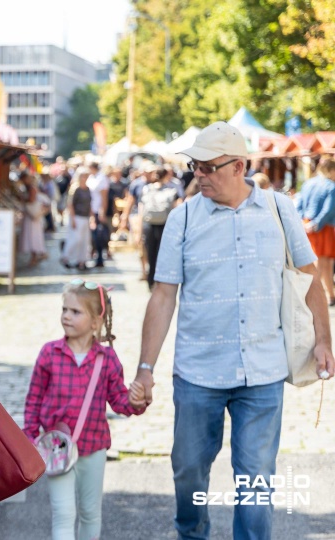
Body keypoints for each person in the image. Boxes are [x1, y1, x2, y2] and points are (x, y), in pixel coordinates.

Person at [134, 122, 335, 539]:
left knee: (256, 481)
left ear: (239, 166)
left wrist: (323, 341)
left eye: (208, 167)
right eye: (195, 166)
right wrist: (145, 367)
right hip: (198, 373)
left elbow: (310, 279)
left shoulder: (280, 211)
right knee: (188, 471)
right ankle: (192, 532)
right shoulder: (182, 219)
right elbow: (162, 296)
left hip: (262, 373)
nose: (199, 175)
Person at [24, 279, 146, 540]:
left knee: (91, 513)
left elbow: (119, 402)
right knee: (63, 513)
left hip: (94, 447)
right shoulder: (49, 353)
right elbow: (34, 399)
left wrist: (136, 402)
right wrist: (30, 436)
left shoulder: (107, 359)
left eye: (75, 311)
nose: (66, 316)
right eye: (64, 309)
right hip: (57, 447)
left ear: (95, 322)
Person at [295, 157, 335, 305]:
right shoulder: (331, 186)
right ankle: (320, 296)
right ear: (331, 171)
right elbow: (328, 209)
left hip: (306, 224)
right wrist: (316, 224)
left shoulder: (307, 183)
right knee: (323, 263)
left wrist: (302, 222)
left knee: (312, 261)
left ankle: (327, 295)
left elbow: (298, 205)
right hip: (322, 227)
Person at [138, 163, 181, 289]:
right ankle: (159, 280)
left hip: (149, 224)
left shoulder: (146, 189)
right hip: (164, 225)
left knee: (150, 253)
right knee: (162, 254)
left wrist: (139, 230)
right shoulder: (171, 190)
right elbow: (176, 208)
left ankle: (150, 280)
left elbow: (142, 210)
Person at [61, 172, 92, 271]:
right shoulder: (75, 189)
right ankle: (66, 257)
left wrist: (91, 217)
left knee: (84, 240)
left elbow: (89, 204)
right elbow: (70, 205)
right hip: (77, 217)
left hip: (85, 217)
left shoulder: (87, 189)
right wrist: (73, 218)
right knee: (75, 239)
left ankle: (81, 261)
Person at [19, 171, 49, 266]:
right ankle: (38, 254)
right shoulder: (29, 188)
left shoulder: (32, 188)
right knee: (33, 237)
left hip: (33, 217)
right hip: (32, 216)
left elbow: (31, 200)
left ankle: (37, 255)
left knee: (33, 237)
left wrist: (23, 199)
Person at [87, 163, 110, 267]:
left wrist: (102, 212)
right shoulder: (91, 177)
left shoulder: (102, 178)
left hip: (97, 210)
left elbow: (104, 197)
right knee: (93, 236)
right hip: (90, 210)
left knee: (99, 236)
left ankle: (100, 258)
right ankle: (94, 255)